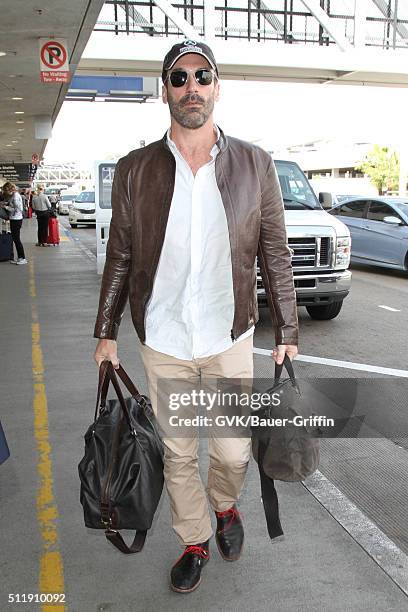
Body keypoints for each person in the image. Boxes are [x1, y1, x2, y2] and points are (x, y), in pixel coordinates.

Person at [93, 39, 298, 594]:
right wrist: (106, 331)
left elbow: (274, 250)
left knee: (231, 450)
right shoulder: (136, 169)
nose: (191, 88)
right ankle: (193, 538)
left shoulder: (255, 164)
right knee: (180, 450)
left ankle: (226, 505)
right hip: (162, 336)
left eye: (201, 77)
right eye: (179, 78)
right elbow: (121, 255)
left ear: (216, 86)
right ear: (165, 90)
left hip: (228, 333)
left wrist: (287, 329)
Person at [0, 182, 27, 265]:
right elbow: (13, 205)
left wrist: (5, 207)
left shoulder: (15, 196)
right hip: (14, 219)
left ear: (9, 189)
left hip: (16, 219)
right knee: (15, 239)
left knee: (17, 239)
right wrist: (6, 204)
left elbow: (17, 209)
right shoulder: (14, 195)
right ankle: (19, 257)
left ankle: (22, 258)